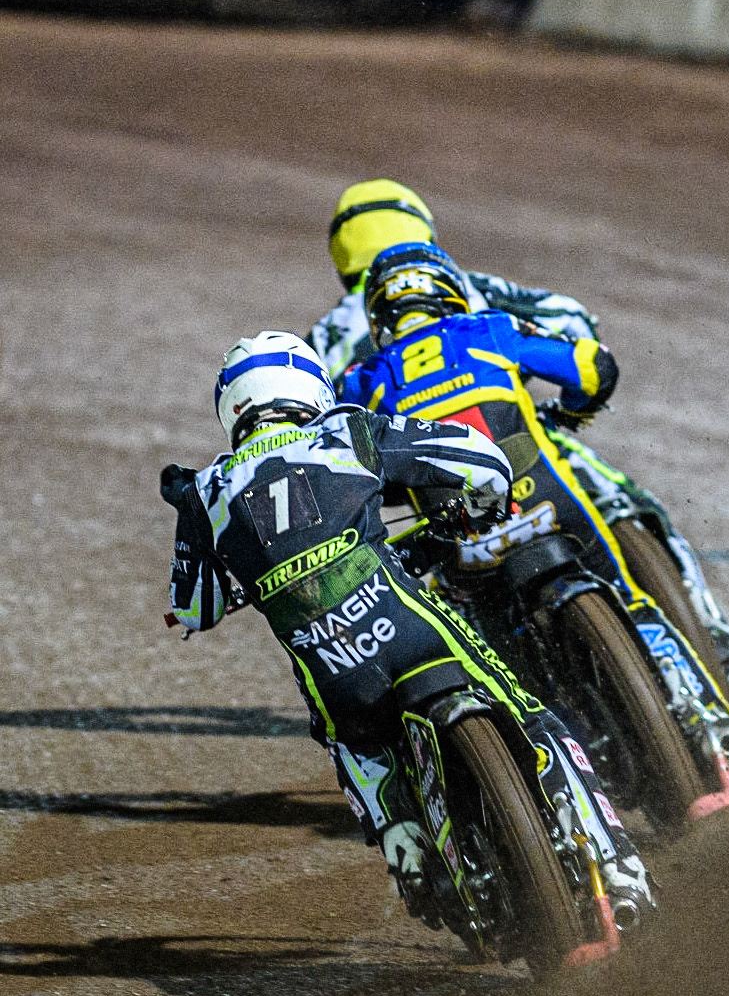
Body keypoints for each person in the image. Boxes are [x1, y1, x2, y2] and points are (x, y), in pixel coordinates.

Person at [162, 329, 654, 925]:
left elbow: (195, 608)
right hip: (411, 630)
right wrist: (481, 505)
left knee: (352, 742)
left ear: (230, 407)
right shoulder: (344, 431)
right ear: (308, 383)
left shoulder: (206, 491)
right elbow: (479, 457)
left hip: (339, 678)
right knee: (533, 717)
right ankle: (617, 859)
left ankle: (404, 844)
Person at [310, 179, 729, 722]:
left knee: (444, 599)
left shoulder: (326, 340)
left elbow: (320, 430)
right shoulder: (473, 291)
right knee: (638, 508)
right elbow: (573, 320)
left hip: (434, 486)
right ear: (423, 229)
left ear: (342, 255)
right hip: (525, 442)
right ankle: (715, 643)